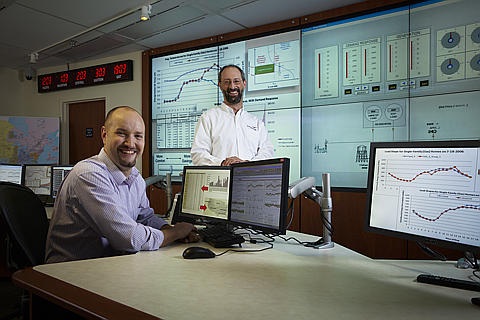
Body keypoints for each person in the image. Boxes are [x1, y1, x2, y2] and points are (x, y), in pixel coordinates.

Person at [45, 106, 199, 263]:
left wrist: (167, 229)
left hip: (110, 266)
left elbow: (145, 217)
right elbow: (128, 239)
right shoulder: (89, 174)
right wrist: (176, 233)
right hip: (70, 273)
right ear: (104, 135)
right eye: (121, 134)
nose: (130, 143)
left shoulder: (135, 177)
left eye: (138, 136)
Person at [190, 64, 274, 166]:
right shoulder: (208, 118)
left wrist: (247, 164)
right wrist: (222, 163)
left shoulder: (256, 122)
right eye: (227, 82)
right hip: (220, 180)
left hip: (250, 179)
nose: (232, 86)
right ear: (219, 85)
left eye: (236, 81)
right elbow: (198, 155)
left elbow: (268, 153)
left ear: (244, 83)